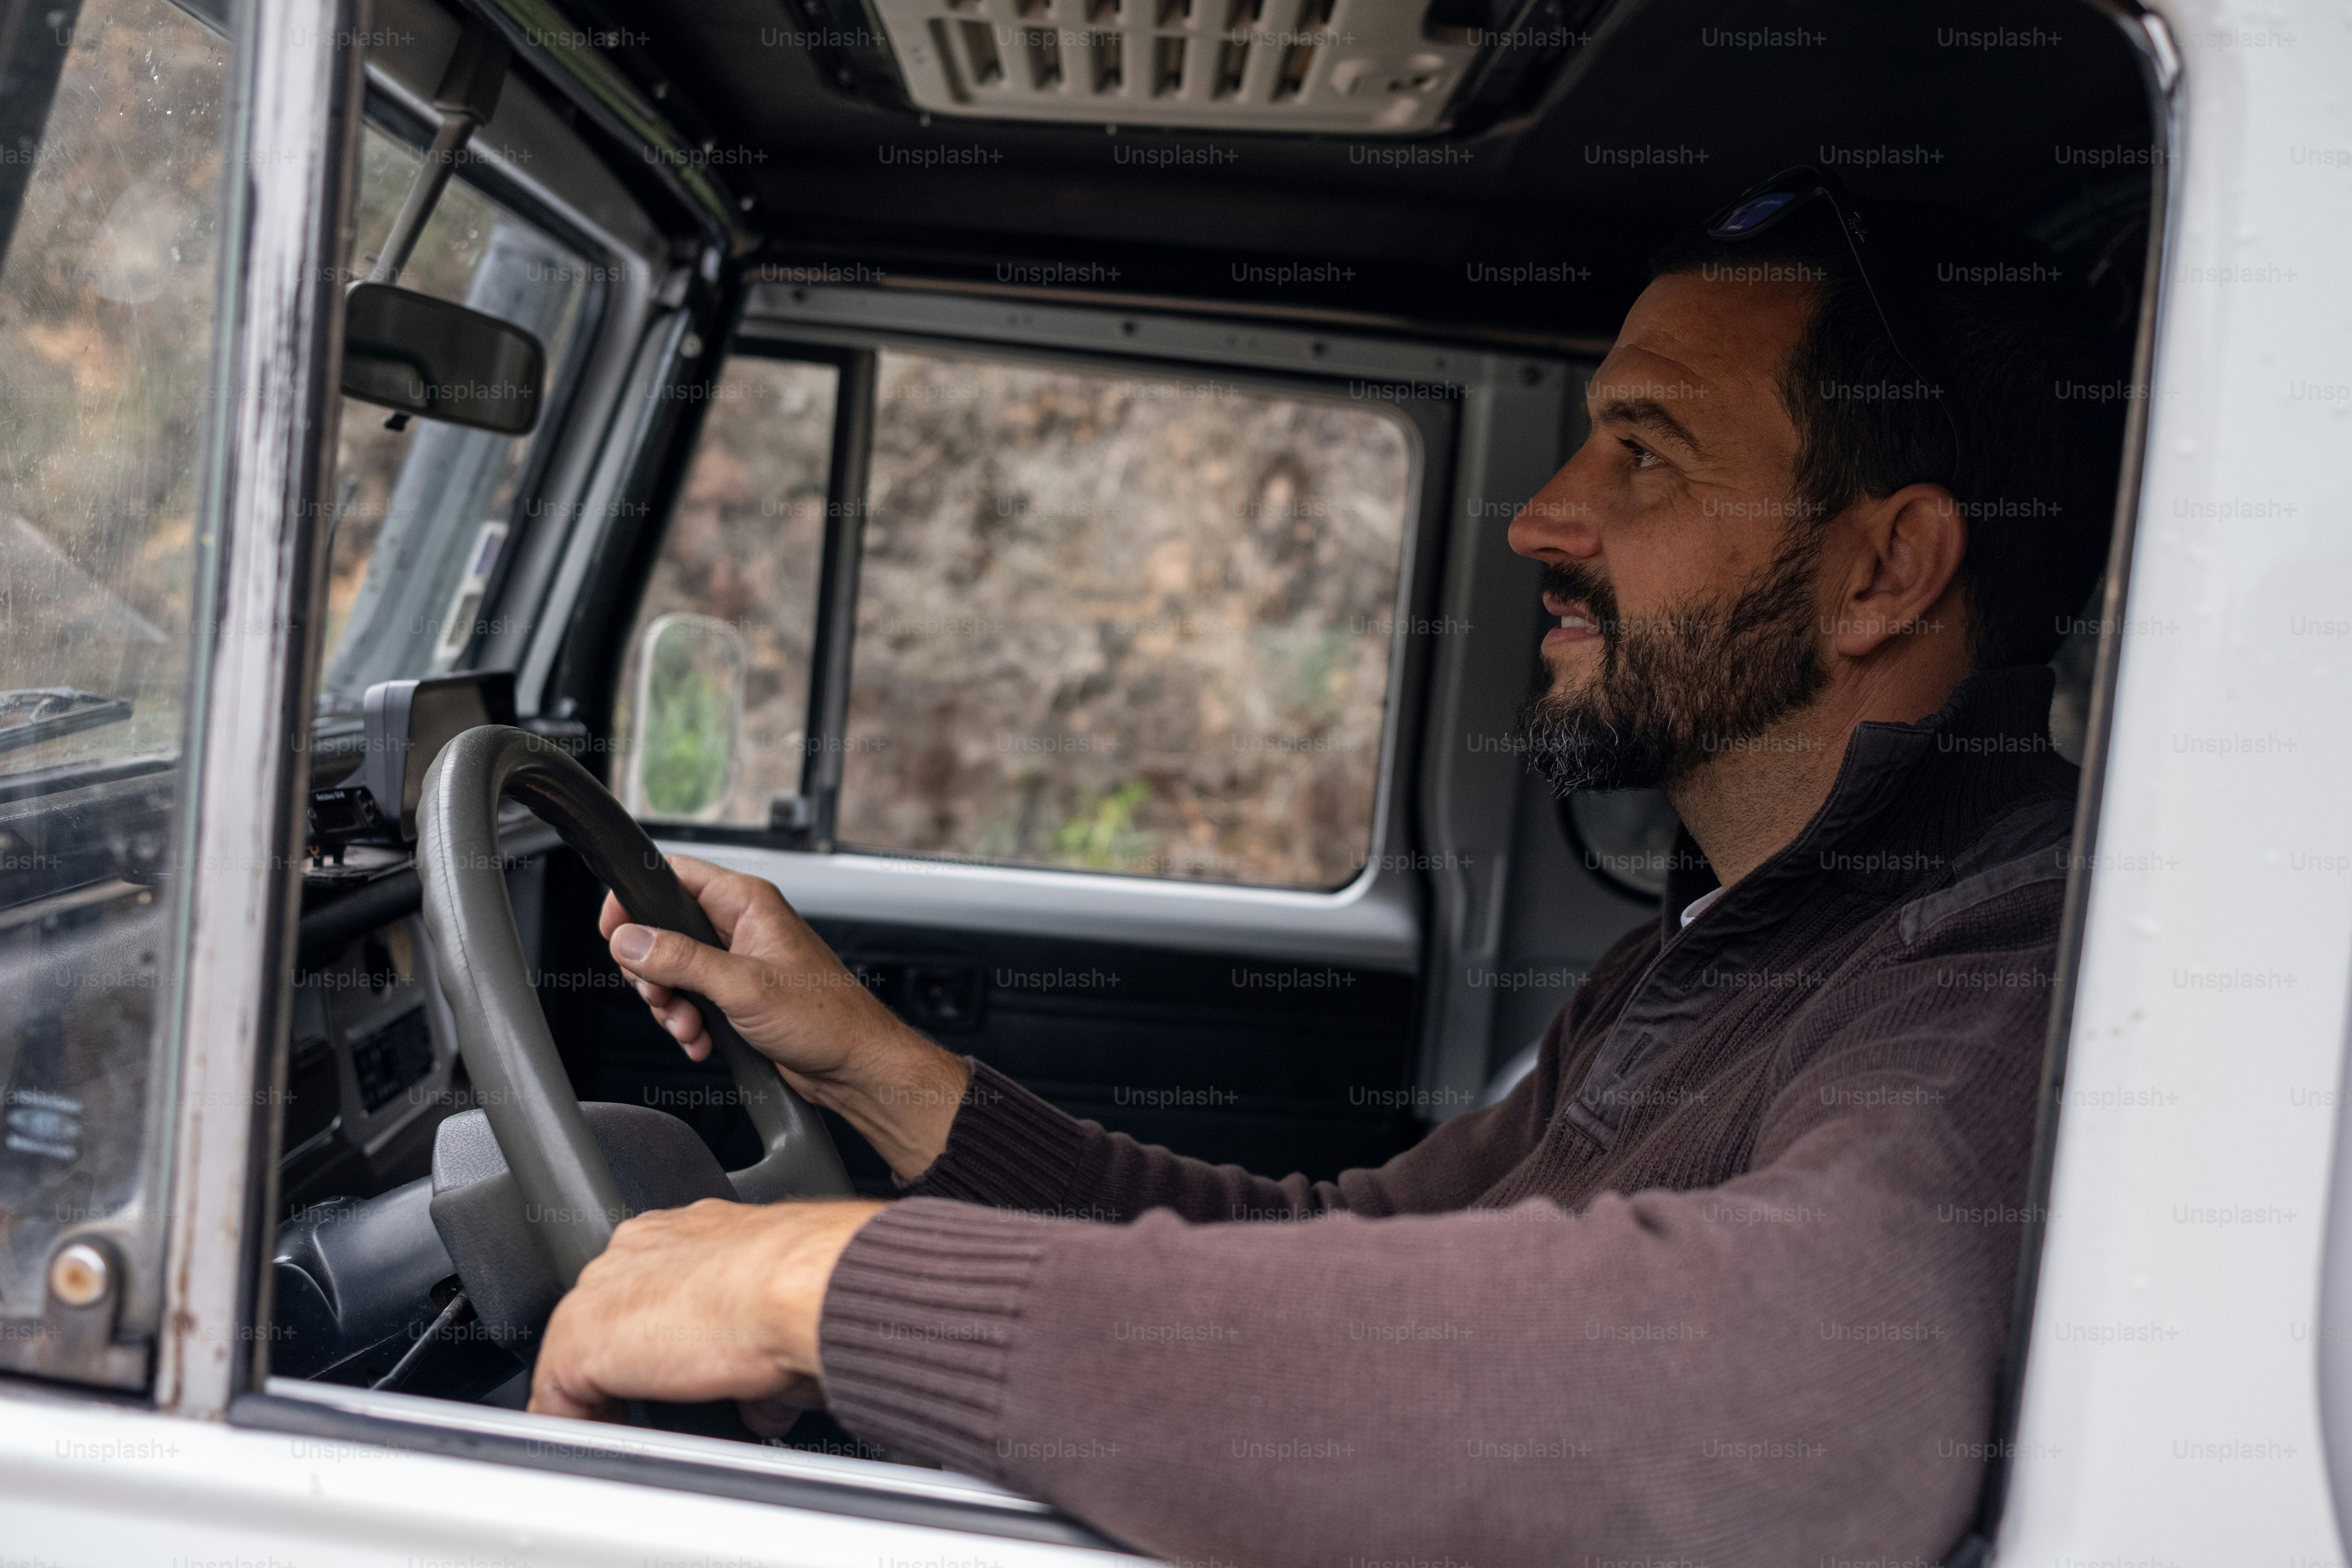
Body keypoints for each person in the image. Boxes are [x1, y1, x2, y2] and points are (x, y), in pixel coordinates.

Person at [527, 174, 2128, 1566]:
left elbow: (1801, 1400)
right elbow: (1331, 1251)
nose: (1546, 522)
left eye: (1647, 453)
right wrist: (871, 1062)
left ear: (1884, 570)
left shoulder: (2009, 968)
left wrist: (828, 1288)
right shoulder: (1710, 946)